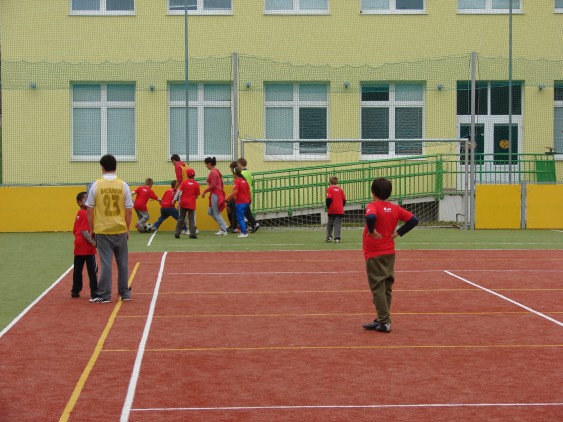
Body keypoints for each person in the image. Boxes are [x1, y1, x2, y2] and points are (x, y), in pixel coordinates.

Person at [362, 177, 418, 333]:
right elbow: (414, 220)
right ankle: (382, 318)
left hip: (374, 253)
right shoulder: (395, 208)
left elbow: (371, 217)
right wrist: (399, 233)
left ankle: (385, 321)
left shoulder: (373, 206)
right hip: (389, 252)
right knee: (386, 287)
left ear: (372, 192)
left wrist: (372, 231)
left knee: (377, 288)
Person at [86, 154, 133, 303]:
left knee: (106, 263)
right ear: (115, 167)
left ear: (102, 167)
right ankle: (125, 293)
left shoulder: (96, 185)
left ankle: (105, 294)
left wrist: (92, 229)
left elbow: (89, 209)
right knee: (123, 263)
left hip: (103, 229)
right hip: (119, 228)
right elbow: (129, 210)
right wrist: (127, 228)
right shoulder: (123, 185)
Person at [71, 191, 98, 299]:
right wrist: (93, 242)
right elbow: (84, 230)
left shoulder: (79, 213)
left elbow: (75, 230)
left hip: (78, 244)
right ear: (79, 202)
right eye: (85, 199)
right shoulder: (86, 213)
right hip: (87, 245)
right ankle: (94, 292)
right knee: (92, 270)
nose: (88, 200)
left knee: (78, 269)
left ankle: (75, 291)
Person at [201, 156, 228, 235]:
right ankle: (223, 225)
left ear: (209, 164)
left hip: (215, 193)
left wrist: (204, 191)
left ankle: (223, 229)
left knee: (216, 212)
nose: (206, 166)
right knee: (210, 212)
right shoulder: (216, 171)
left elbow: (213, 185)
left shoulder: (213, 172)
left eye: (206, 164)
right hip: (215, 193)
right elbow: (221, 183)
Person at [225, 168, 252, 238]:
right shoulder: (244, 181)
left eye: (232, 173)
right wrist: (250, 200)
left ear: (235, 174)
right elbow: (249, 192)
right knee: (241, 217)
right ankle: (245, 229)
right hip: (246, 202)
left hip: (241, 202)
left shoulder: (237, 181)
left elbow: (235, 192)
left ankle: (244, 232)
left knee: (240, 217)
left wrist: (227, 199)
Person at [174, 168, 200, 239]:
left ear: (187, 175)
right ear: (194, 175)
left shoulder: (184, 182)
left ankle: (177, 233)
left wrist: (174, 199)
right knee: (191, 218)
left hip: (183, 202)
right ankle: (192, 234)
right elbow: (197, 195)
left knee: (181, 218)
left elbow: (178, 191)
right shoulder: (196, 184)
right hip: (191, 203)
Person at [237, 157, 259, 233]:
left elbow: (242, 185)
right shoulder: (249, 173)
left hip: (244, 196)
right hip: (248, 195)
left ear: (240, 164)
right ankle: (253, 224)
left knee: (242, 212)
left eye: (237, 164)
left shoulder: (242, 174)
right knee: (246, 212)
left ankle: (245, 227)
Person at [325, 176, 346, 243]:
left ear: (330, 182)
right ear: (337, 182)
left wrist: (328, 207)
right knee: (337, 224)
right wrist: (341, 206)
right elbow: (344, 200)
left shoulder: (329, 189)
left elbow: (329, 199)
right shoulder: (340, 190)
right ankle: (337, 238)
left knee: (330, 223)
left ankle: (329, 237)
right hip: (340, 210)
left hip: (332, 209)